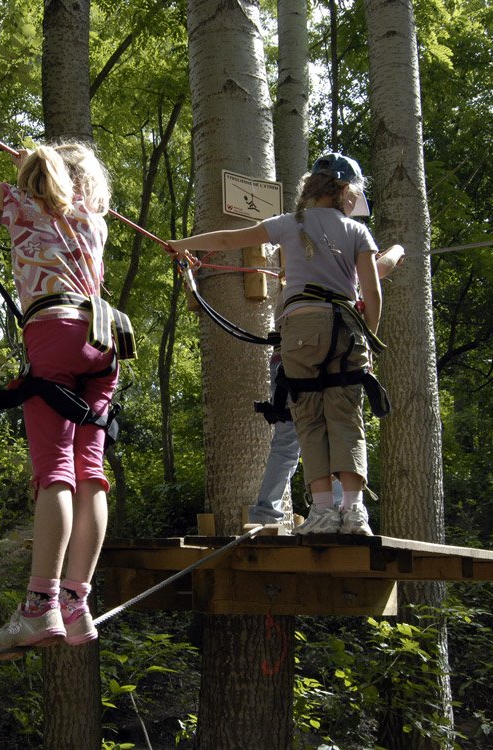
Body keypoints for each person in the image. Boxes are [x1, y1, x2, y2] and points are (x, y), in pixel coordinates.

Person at [0, 113, 123, 657]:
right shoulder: (95, 217)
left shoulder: (19, 204)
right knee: (91, 471)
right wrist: (35, 168)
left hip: (55, 332)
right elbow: (58, 189)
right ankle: (76, 601)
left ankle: (40, 605)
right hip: (104, 340)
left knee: (55, 472)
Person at [170, 152, 402, 536]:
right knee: (345, 417)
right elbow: (372, 293)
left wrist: (183, 243)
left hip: (299, 331)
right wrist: (367, 342)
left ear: (312, 188)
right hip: (346, 329)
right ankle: (355, 511)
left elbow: (229, 238)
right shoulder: (357, 232)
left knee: (308, 417)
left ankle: (325, 511)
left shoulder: (287, 225)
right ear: (346, 191)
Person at [250, 242, 404, 528]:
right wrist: (396, 249)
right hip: (302, 366)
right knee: (329, 432)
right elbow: (380, 269)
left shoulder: (297, 285)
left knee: (293, 442)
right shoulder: (331, 281)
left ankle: (276, 513)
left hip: (292, 364)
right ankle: (334, 508)